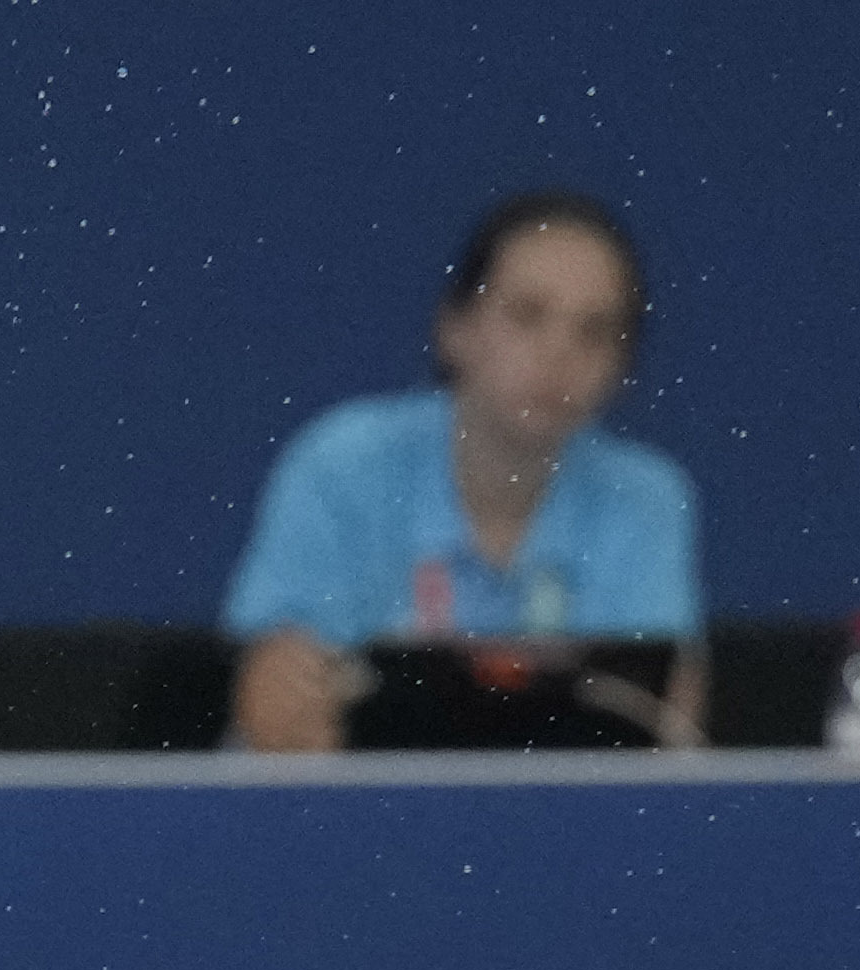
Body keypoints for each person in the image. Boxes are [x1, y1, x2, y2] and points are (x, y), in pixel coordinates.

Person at [225, 191, 703, 750]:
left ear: (623, 368)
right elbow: (272, 705)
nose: (559, 351)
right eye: (528, 314)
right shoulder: (342, 466)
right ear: (455, 328)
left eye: (594, 330)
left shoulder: (644, 497)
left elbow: (661, 728)